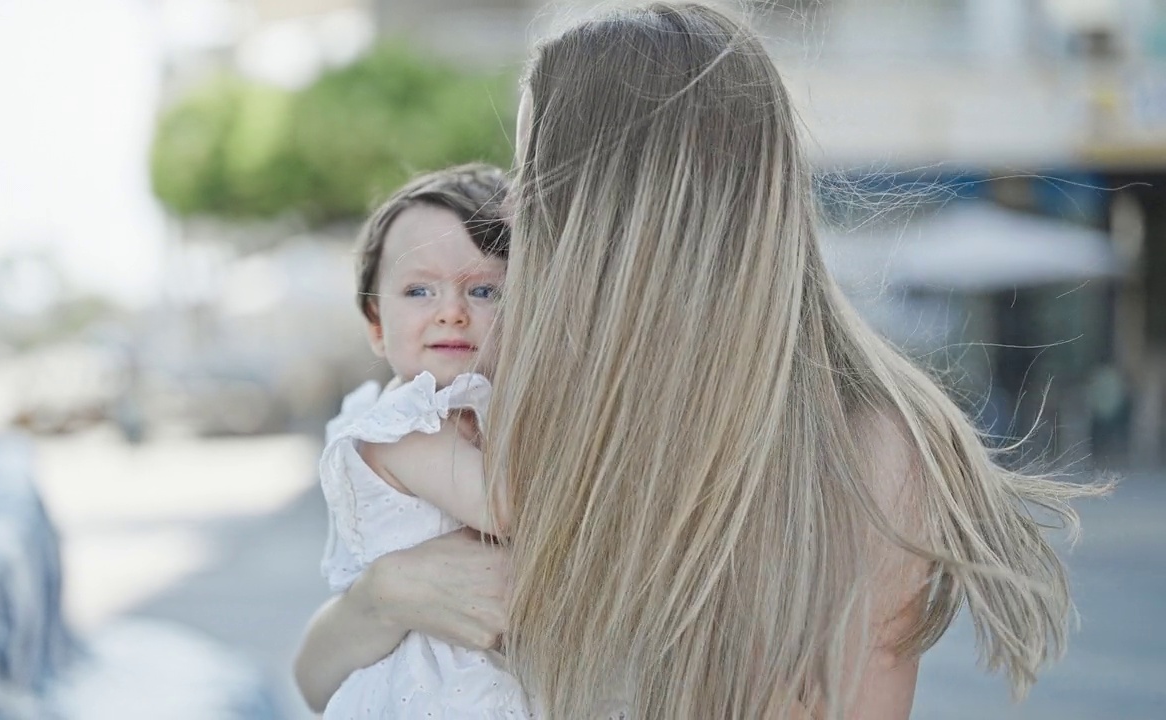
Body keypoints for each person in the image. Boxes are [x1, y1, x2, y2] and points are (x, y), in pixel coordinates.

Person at [297, 4, 1104, 718]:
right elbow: (320, 678)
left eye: (535, 174)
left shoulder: (867, 449)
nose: (512, 209)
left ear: (612, 212)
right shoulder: (537, 388)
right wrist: (387, 594)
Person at [311, 163, 527, 717]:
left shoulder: (478, 410)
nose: (452, 312)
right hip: (430, 688)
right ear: (376, 325)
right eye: (419, 290)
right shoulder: (400, 427)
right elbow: (503, 506)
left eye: (484, 290)